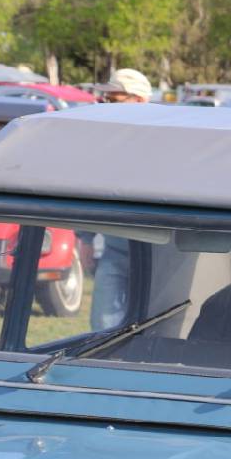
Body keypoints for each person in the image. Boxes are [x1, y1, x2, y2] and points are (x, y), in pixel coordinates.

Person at [88, 68, 153, 329]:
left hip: (161, 254)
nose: (106, 106)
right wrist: (84, 237)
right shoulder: (107, 140)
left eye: (113, 100)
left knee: (158, 330)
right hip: (115, 250)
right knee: (102, 330)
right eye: (105, 100)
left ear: (138, 100)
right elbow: (90, 187)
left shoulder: (168, 138)